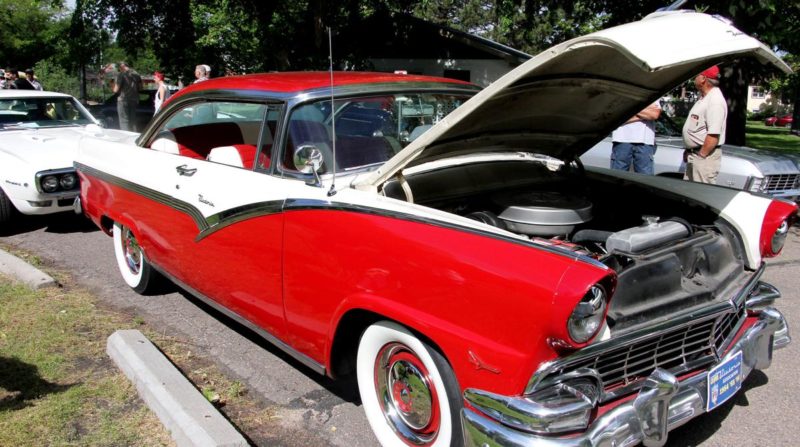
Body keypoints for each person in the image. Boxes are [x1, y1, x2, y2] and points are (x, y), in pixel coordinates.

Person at [682, 65, 727, 184]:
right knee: (690, 196)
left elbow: (713, 135)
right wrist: (689, 150)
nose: (694, 78)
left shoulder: (715, 101)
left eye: (696, 75)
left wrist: (701, 156)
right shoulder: (705, 97)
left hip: (704, 158)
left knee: (700, 196)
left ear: (703, 79)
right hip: (696, 155)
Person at [610, 101, 662, 174]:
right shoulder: (620, 94)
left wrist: (627, 108)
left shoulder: (650, 94)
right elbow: (614, 115)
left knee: (645, 180)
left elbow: (654, 114)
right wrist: (645, 113)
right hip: (621, 140)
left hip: (645, 141)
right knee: (617, 176)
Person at [113, 62, 142, 131]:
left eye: (119, 67)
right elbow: (141, 88)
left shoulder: (121, 74)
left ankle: (125, 138)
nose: (119, 69)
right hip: (134, 100)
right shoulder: (136, 74)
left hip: (123, 100)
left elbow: (116, 90)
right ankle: (134, 136)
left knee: (124, 121)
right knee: (133, 121)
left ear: (122, 66)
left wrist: (111, 85)